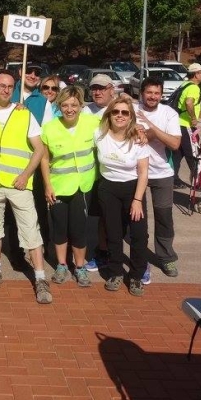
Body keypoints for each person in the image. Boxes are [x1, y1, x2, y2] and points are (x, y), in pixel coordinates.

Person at [0, 69, 52, 304]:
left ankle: (40, 278)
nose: (6, 90)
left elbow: (39, 149)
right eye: (1, 86)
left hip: (19, 184)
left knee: (30, 229)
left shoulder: (24, 114)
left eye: (9, 86)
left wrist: (26, 175)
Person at [40, 86, 96, 288]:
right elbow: (44, 159)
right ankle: (62, 265)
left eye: (74, 105)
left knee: (79, 229)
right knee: (60, 228)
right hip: (58, 187)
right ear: (59, 106)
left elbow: (118, 128)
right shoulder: (49, 128)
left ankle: (80, 267)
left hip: (83, 186)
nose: (69, 109)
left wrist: (138, 131)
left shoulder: (92, 123)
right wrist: (47, 186)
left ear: (81, 106)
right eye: (65, 105)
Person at [94, 96, 149, 296]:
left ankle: (136, 276)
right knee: (113, 233)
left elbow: (143, 172)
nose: (120, 115)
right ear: (109, 114)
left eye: (125, 112)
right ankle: (115, 272)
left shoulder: (138, 139)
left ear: (131, 116)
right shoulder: (98, 134)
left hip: (133, 188)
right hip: (108, 188)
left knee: (139, 234)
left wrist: (137, 200)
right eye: (115, 111)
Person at [134, 77, 182, 283]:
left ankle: (166, 257)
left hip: (162, 173)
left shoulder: (169, 113)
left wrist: (152, 131)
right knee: (138, 219)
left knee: (164, 217)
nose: (153, 97)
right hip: (136, 173)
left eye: (156, 93)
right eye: (149, 92)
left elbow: (175, 144)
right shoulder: (131, 109)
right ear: (142, 93)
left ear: (161, 95)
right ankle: (140, 257)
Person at [81, 74, 117, 272]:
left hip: (117, 172)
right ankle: (103, 251)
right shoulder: (86, 110)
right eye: (94, 88)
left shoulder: (120, 108)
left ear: (112, 89)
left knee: (120, 218)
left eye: (102, 88)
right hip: (95, 172)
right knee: (101, 215)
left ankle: (125, 255)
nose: (97, 92)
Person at [173, 63, 201, 188]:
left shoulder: (184, 84)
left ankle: (173, 179)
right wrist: (193, 118)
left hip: (177, 124)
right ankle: (198, 182)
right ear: (196, 74)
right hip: (186, 125)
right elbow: (189, 102)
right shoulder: (194, 87)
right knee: (193, 154)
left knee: (177, 154)